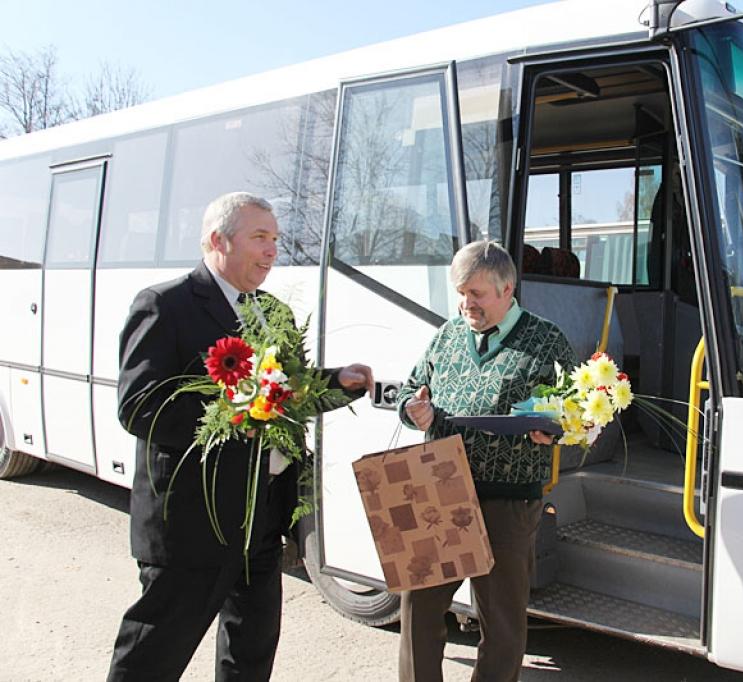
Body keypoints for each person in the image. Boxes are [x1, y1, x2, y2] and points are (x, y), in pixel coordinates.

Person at [107, 192, 374, 681]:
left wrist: (338, 382)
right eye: (260, 237)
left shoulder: (273, 312)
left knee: (250, 653)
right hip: (194, 522)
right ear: (218, 240)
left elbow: (287, 395)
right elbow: (139, 406)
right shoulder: (165, 305)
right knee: (153, 656)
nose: (273, 250)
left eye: (275, 239)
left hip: (261, 518)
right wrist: (240, 410)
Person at [395, 240, 577, 682]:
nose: (466, 304)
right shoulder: (447, 335)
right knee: (419, 611)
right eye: (461, 293)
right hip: (441, 492)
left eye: (476, 293)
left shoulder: (547, 340)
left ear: (507, 288)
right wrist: (412, 409)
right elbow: (410, 389)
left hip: (507, 503)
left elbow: (576, 412)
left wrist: (554, 429)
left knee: (502, 625)